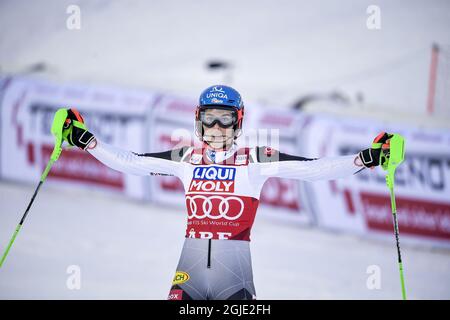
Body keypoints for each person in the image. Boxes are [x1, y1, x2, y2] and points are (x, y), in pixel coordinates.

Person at [60, 85, 391, 300]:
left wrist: (365, 158)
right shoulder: (185, 158)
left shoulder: (257, 159)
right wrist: (85, 139)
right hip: (187, 276)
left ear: (239, 122)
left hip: (234, 282)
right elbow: (130, 163)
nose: (217, 127)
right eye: (209, 118)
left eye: (225, 119)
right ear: (198, 121)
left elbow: (316, 169)